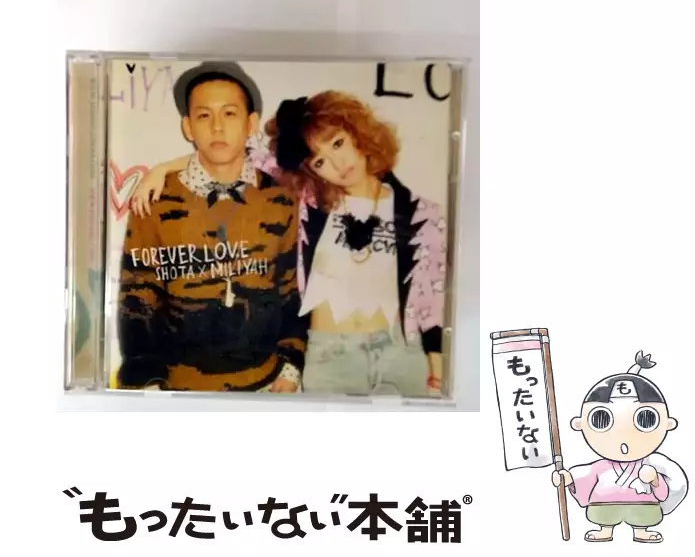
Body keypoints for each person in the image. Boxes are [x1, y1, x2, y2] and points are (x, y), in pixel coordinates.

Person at [132, 90, 447, 397]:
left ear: (358, 133)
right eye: (320, 162)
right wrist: (164, 168)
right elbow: (237, 153)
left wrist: (437, 369)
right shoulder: (310, 204)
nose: (338, 164)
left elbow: (431, 299)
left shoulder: (421, 213)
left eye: (338, 143)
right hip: (330, 355)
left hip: (399, 352)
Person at [116, 61, 309, 393]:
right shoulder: (155, 200)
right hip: (178, 389)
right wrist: (146, 381)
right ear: (188, 127)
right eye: (204, 115)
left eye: (229, 113)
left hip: (267, 384)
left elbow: (290, 289)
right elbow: (138, 295)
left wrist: (291, 365)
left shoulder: (281, 199)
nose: (217, 127)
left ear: (251, 124)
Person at [551, 351, 688, 544]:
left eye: (646, 420)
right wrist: (567, 478)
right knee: (602, 514)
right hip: (604, 504)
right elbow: (586, 475)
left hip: (643, 506)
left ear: (667, 424)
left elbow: (662, 492)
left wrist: (655, 479)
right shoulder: (601, 467)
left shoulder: (651, 464)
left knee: (645, 515)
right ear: (580, 424)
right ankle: (605, 529)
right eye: (601, 420)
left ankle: (641, 530)